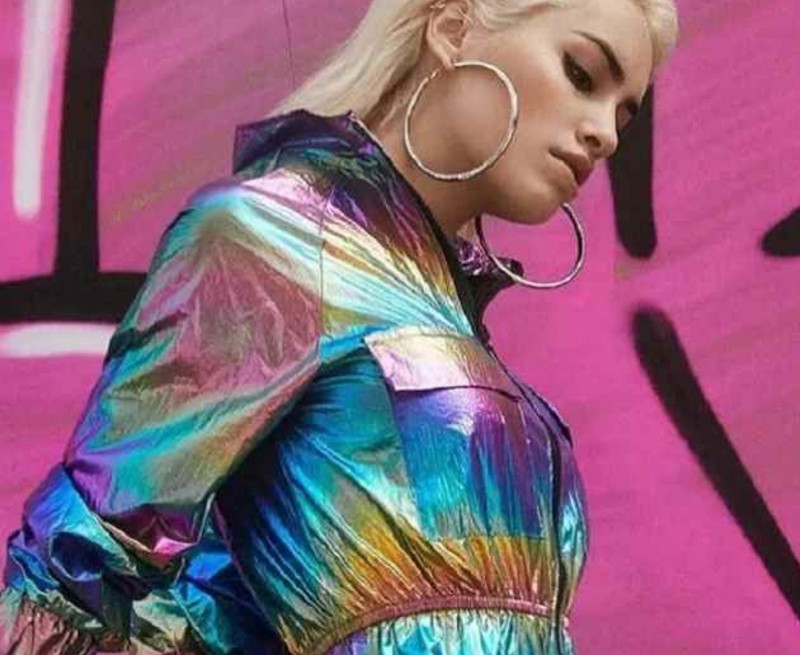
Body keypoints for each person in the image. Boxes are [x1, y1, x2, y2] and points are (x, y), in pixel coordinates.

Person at [0, 0, 678, 652]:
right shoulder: (277, 239)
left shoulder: (456, 330)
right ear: (452, 27)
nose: (606, 134)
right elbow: (73, 565)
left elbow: (214, 611)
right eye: (582, 74)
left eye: (625, 113)